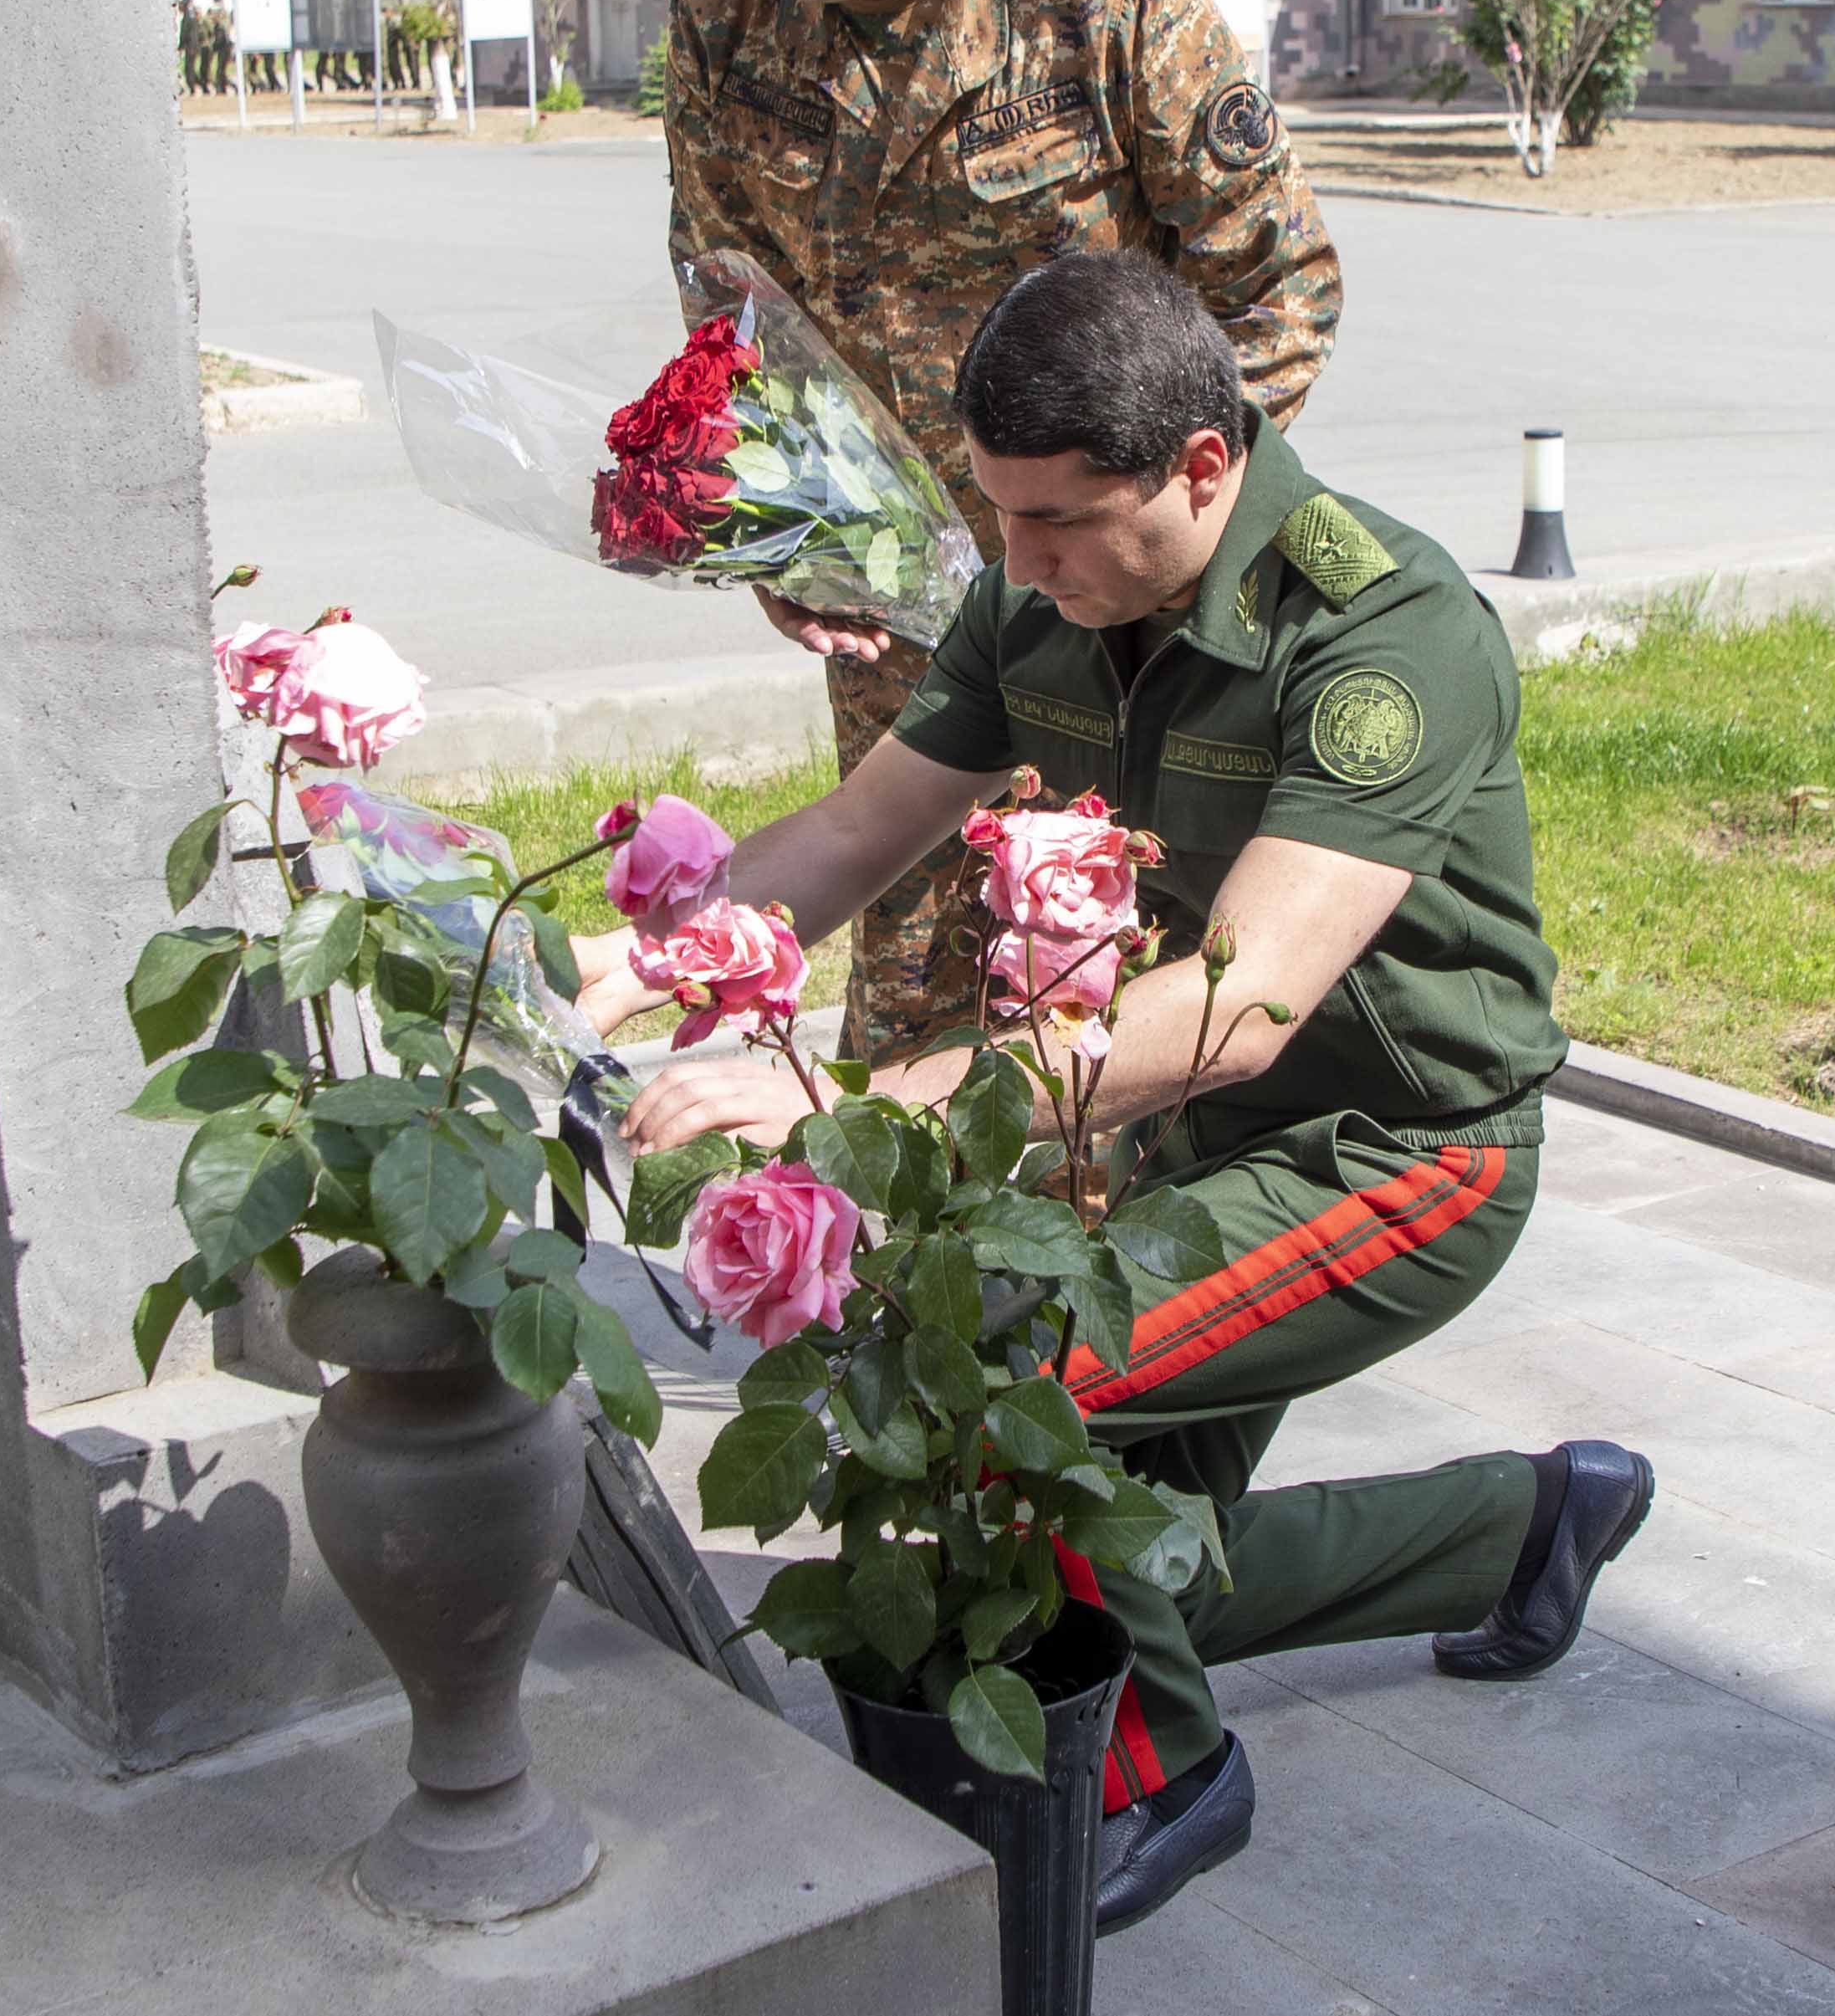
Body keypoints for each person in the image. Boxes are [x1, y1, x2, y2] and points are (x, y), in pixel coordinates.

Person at [593, 251, 1639, 1938]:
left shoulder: (1383, 633)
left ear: (1202, 466)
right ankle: (1517, 1530)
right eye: (997, 512)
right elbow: (858, 829)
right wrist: (634, 958)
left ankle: (1166, 1776)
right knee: (1088, 1556)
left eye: (1056, 520)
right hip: (1191, 1138)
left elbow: (1236, 1004)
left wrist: (862, 1103)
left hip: (1397, 1151)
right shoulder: (1045, 600)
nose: (1014, 562)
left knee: (1011, 1394)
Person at [640, 0, 1342, 1067]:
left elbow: (1277, 285)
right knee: (913, 988)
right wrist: (774, 533)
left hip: (1130, 614)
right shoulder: (720, 18)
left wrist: (1156, 530)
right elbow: (725, 313)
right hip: (903, 625)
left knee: (1114, 988)